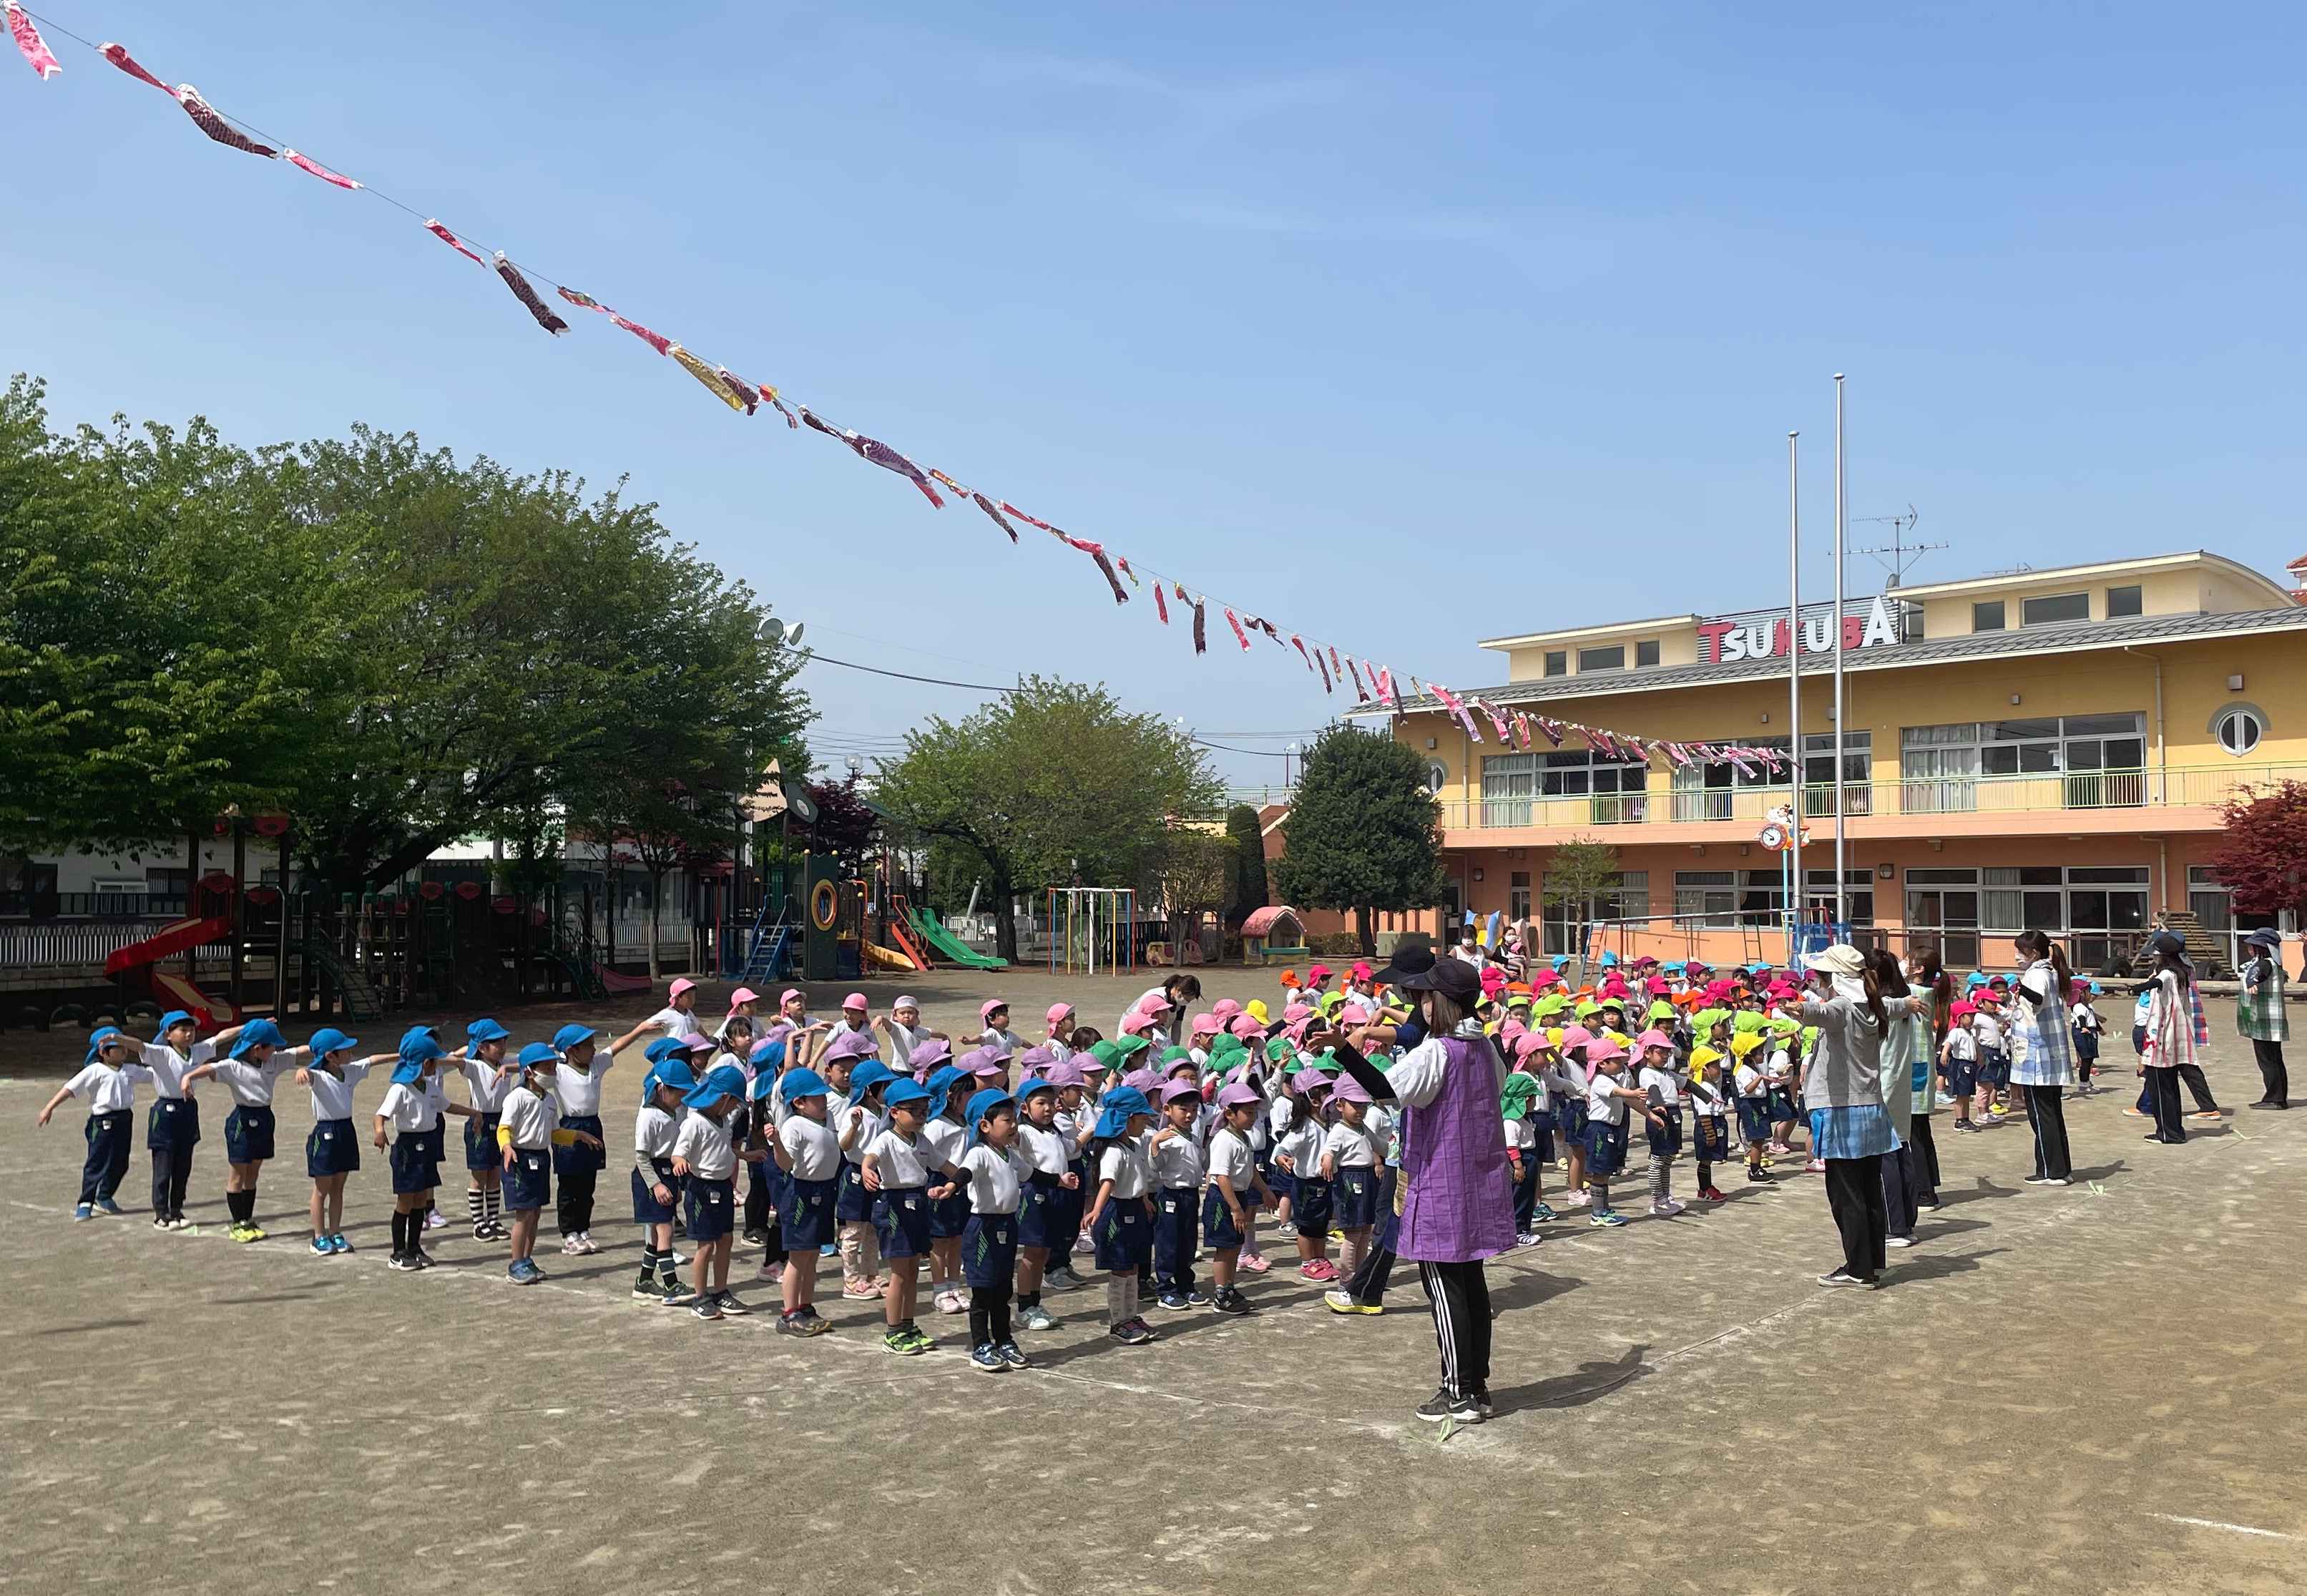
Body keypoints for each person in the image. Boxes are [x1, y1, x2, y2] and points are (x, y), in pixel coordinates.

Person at [1319, 956, 1515, 1426]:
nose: (1419, 1004)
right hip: (1478, 1179)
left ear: (1440, 1002)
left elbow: (1384, 1090)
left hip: (1440, 1182)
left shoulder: (1436, 1051)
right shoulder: (1485, 1047)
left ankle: (1457, 1391)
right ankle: (1478, 1384)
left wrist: (1343, 1051)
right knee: (1471, 1283)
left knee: (1443, 1287)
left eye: (1425, 996)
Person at [1796, 945, 1921, 1288]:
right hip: (1870, 1109)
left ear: (1833, 979)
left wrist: (1799, 1010)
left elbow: (1822, 1014)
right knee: (1867, 1188)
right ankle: (1872, 1262)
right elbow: (1896, 1005)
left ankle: (1858, 1268)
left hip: (1841, 1111)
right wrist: (1909, 1004)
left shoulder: (1840, 1006)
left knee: (1846, 1193)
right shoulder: (1874, 1004)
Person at [941, 1087, 1034, 1372]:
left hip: (1007, 1225)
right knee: (983, 1290)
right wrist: (951, 1186)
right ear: (985, 1126)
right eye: (1007, 1120)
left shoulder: (1008, 1155)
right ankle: (981, 1345)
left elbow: (1033, 1174)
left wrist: (1061, 1180)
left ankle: (1005, 1340)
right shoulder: (980, 1153)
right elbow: (965, 1172)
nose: (1014, 1125)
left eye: (1014, 1119)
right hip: (983, 1228)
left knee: (1003, 1289)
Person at [496, 1043, 605, 1284]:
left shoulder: (550, 1100)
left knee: (535, 1213)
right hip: (519, 1158)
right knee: (523, 1215)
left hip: (541, 1159)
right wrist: (506, 1147)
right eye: (547, 1067)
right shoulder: (517, 1097)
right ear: (529, 1072)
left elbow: (554, 1132)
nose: (552, 1072)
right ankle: (515, 1263)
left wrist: (578, 1136)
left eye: (554, 1067)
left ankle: (526, 1258)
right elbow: (504, 1128)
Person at [182, 1017, 297, 1243]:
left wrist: (323, 1047)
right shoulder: (233, 1067)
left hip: (264, 1118)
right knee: (238, 1174)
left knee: (253, 1173)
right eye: (271, 1046)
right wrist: (187, 1077)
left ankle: (248, 1218)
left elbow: (298, 1051)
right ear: (257, 1049)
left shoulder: (272, 1062)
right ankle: (238, 1223)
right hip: (242, 1121)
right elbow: (209, 1068)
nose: (275, 1050)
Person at [293, 1029, 396, 1254]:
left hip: (346, 1131)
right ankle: (319, 1237)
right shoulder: (319, 1076)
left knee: (338, 1187)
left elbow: (374, 1059)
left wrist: (401, 1056)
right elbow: (307, 1074)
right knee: (322, 1189)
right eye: (346, 1049)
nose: (351, 1052)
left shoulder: (349, 1071)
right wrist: (302, 1070)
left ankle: (335, 1232)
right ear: (330, 1056)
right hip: (326, 1133)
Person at [673, 1063, 760, 1319]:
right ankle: (700, 1297)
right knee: (705, 1246)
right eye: (735, 1103)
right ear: (724, 1098)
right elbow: (679, 1152)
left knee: (726, 1241)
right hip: (702, 1188)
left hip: (723, 1187)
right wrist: (680, 1162)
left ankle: (721, 1291)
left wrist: (745, 1155)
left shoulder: (723, 1121)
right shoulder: (695, 1123)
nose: (736, 1108)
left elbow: (723, 1150)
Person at [36, 1027, 152, 1220]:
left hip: (124, 1119)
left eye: (124, 1046)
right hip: (103, 1121)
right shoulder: (95, 1070)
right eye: (117, 1047)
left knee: (121, 1162)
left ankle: (104, 1196)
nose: (123, 1050)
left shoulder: (130, 1070)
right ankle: (85, 1202)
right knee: (96, 1162)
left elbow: (155, 1075)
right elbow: (70, 1089)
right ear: (103, 1052)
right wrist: (49, 1107)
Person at [863, 1077, 939, 1355]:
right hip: (893, 1205)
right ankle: (893, 1332)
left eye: (924, 1111)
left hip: (918, 1202)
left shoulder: (922, 1140)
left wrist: (965, 1178)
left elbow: (943, 1164)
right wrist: (867, 1170)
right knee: (898, 1272)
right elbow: (870, 1158)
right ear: (894, 1112)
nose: (921, 1116)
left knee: (912, 1271)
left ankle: (908, 1325)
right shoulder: (886, 1138)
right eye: (914, 1111)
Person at [1083, 1083, 1159, 1345]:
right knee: (1121, 1269)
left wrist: (1145, 1200)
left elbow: (1140, 1178)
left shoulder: (1135, 1146)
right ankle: (1118, 1322)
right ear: (1128, 1120)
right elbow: (1108, 1182)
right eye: (1142, 1116)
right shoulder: (1114, 1151)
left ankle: (1132, 1316)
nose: (1147, 1121)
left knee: (1134, 1267)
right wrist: (1097, 1209)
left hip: (1136, 1208)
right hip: (1117, 1212)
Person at [770, 1065, 839, 1336]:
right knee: (798, 1257)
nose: (824, 1101)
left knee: (812, 1256)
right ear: (799, 1103)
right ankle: (789, 1313)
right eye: (817, 1098)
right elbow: (786, 1164)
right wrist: (776, 1142)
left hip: (824, 1191)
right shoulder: (794, 1125)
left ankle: (806, 1306)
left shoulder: (828, 1118)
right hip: (801, 1194)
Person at [2010, 930, 2077, 1186]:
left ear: (2034, 953)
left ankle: (2052, 1171)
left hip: (2037, 1058)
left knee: (2041, 1116)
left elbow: (2036, 998)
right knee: (2052, 1114)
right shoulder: (2050, 971)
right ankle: (2059, 1167)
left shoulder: (2037, 974)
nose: (2017, 956)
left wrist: (2020, 989)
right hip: (2049, 1055)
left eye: (2020, 952)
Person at [630, 1054, 695, 1305]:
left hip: (667, 1172)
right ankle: (671, 1284)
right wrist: (656, 1185)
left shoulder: (673, 1112)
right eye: (678, 1093)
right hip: (651, 1175)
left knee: (659, 1234)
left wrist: (673, 1183)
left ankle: (644, 1281)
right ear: (661, 1089)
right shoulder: (649, 1116)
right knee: (664, 1229)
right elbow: (642, 1157)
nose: (682, 1099)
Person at [1204, 1082, 1271, 1316]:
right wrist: (1234, 1208)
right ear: (1230, 1114)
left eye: (1254, 1112)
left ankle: (1230, 1288)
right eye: (1248, 1112)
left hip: (1238, 1196)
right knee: (1225, 1247)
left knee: (1235, 1246)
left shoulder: (1243, 1137)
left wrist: (1265, 1190)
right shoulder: (1224, 1139)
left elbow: (1250, 1170)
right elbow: (1221, 1176)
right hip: (1224, 1199)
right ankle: (1221, 1293)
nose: (1253, 1118)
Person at [1149, 1079, 1209, 1311]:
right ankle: (1165, 1288)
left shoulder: (1193, 1137)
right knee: (1168, 1242)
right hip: (1171, 1195)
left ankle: (1186, 1284)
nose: (1189, 1115)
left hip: (1191, 1194)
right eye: (1183, 1109)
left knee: (1188, 1240)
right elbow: (1156, 1167)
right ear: (1167, 1110)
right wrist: (1155, 1145)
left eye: (1193, 1110)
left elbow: (1201, 1163)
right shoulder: (1165, 1137)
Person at [2141, 931, 2206, 1144]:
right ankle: (2171, 1130)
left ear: (2164, 956)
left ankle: (2169, 1133)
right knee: (2168, 1088)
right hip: (2169, 1037)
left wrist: (2139, 987)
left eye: (2156, 955)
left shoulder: (2167, 975)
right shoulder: (2180, 973)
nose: (2154, 959)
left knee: (2161, 1088)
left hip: (2161, 1037)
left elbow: (2157, 984)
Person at [2239, 928, 2289, 1110]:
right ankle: (2278, 1097)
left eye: (2252, 946)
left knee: (2268, 1060)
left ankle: (2275, 1099)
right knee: (2275, 1059)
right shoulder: (2273, 964)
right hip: (2270, 1021)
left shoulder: (2266, 964)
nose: (2249, 949)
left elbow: (2257, 972)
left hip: (2264, 1021)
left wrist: (2252, 981)